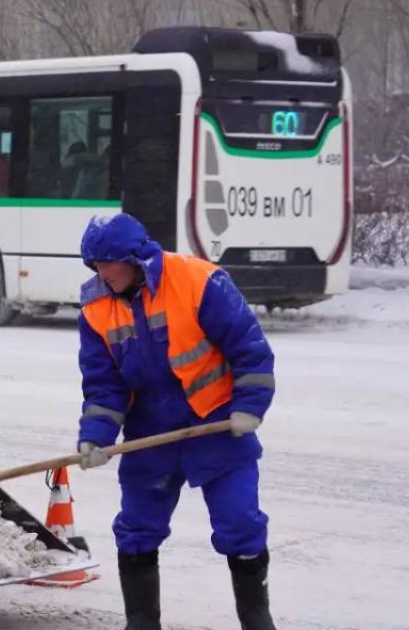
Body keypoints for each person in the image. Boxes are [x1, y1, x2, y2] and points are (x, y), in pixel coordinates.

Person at [74, 213, 276, 630]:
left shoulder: (199, 282)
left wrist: (250, 406)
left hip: (217, 424)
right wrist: (95, 435)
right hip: (150, 435)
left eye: (109, 263)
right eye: (95, 264)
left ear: (135, 258)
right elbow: (103, 384)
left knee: (240, 525)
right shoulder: (95, 309)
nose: (102, 272)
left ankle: (257, 621)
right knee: (136, 530)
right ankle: (142, 623)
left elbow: (251, 349)